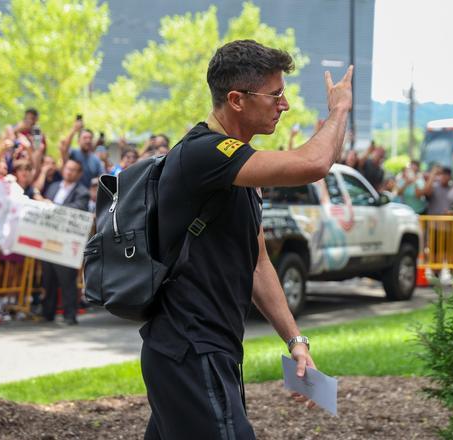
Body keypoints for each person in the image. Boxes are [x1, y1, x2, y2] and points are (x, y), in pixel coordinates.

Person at [140, 39, 352, 440]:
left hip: (203, 350)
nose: (284, 104)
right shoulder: (204, 154)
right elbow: (314, 163)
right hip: (190, 350)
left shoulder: (236, 169)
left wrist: (296, 342)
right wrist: (340, 109)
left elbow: (258, 264)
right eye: (275, 95)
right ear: (236, 99)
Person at [41, 159, 90, 324]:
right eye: (67, 168)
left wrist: (52, 206)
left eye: (73, 170)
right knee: (48, 277)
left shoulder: (82, 191)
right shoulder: (53, 186)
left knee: (66, 279)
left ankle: (70, 315)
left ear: (79, 174)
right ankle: (48, 314)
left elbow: (78, 209)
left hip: (67, 240)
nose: (69, 172)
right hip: (49, 236)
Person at [59, 120, 105, 187]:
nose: (88, 141)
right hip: (69, 192)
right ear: (78, 141)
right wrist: (74, 130)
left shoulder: (96, 160)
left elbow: (102, 178)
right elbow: (64, 149)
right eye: (85, 138)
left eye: (90, 138)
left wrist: (94, 183)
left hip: (86, 195)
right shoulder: (72, 153)